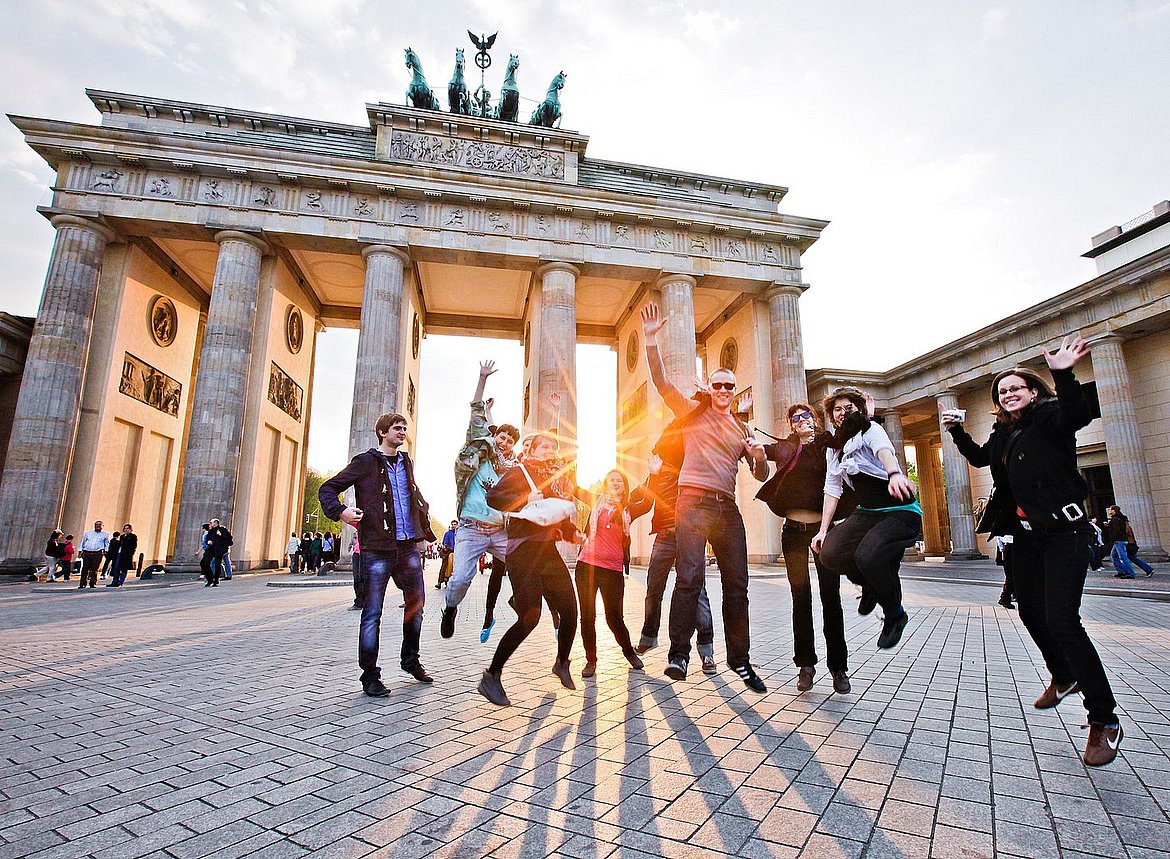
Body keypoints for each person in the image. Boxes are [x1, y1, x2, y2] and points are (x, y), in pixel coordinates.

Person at [943, 336, 1123, 766]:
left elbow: (1077, 413)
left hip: (1066, 533)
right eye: (1002, 392)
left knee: (1063, 620)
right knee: (1029, 611)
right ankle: (1063, 676)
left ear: (1034, 391)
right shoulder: (1004, 432)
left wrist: (1063, 372)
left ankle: (1104, 720)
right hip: (1027, 536)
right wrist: (955, 432)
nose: (1008, 395)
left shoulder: (1049, 417)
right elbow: (983, 458)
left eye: (1016, 388)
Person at [640, 302, 770, 692]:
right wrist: (650, 341)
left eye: (730, 385)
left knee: (738, 583)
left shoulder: (741, 428)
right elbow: (662, 385)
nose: (724, 391)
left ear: (734, 390)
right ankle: (679, 654)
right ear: (709, 388)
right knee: (690, 577)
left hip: (725, 507)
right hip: (692, 501)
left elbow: (759, 473)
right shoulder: (693, 414)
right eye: (718, 385)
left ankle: (740, 660)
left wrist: (759, 453)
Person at [319, 412, 436, 697]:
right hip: (377, 550)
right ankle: (370, 676)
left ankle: (410, 661)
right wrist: (341, 512)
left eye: (405, 428)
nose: (402, 432)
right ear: (383, 432)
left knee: (416, 608)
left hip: (407, 548)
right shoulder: (365, 462)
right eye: (397, 428)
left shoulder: (406, 461)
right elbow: (328, 488)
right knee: (372, 614)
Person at [478, 429, 582, 706]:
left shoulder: (554, 478)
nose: (550, 451)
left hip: (547, 551)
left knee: (571, 610)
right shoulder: (518, 472)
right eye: (544, 446)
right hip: (523, 553)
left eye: (553, 447)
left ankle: (562, 663)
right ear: (532, 450)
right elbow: (494, 499)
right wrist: (525, 500)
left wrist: (573, 533)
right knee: (530, 617)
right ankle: (492, 675)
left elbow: (557, 513)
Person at [812, 387, 920, 651]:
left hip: (899, 511)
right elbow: (832, 488)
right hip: (867, 513)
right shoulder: (834, 449)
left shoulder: (871, 430)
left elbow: (884, 451)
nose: (842, 413)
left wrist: (894, 474)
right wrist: (823, 530)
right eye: (837, 409)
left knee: (868, 556)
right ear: (831, 416)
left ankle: (895, 614)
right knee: (830, 553)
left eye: (848, 408)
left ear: (858, 410)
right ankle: (869, 585)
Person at [755, 402, 851, 694]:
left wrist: (866, 415)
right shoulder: (786, 447)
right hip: (793, 533)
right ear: (791, 424)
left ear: (815, 418)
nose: (801, 421)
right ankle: (805, 666)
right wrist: (746, 426)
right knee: (801, 598)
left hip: (823, 531)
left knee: (830, 598)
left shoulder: (827, 443)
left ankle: (839, 668)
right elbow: (757, 448)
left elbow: (851, 436)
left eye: (805, 416)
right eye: (795, 418)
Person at [439, 360, 521, 640]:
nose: (505, 442)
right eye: (502, 436)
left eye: (511, 440)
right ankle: (450, 608)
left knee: (528, 563)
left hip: (500, 531)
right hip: (471, 528)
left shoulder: (515, 468)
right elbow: (476, 413)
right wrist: (482, 378)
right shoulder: (479, 450)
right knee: (461, 577)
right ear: (493, 435)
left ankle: (520, 602)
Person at [631, 444, 718, 677]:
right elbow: (644, 500)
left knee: (698, 592)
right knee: (653, 587)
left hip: (690, 536)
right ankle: (648, 638)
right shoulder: (659, 471)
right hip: (664, 535)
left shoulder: (695, 468)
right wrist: (652, 475)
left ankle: (706, 650)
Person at [573, 469, 651, 678]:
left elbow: (649, 501)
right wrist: (568, 463)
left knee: (614, 617)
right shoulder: (595, 501)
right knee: (587, 616)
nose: (615, 483)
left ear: (624, 486)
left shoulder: (628, 509)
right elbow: (574, 487)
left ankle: (629, 653)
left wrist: (654, 475)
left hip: (613, 569)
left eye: (619, 480)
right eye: (611, 479)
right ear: (605, 483)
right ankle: (591, 660)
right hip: (587, 566)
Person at [1105, 505, 1137, 578]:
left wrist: (1113, 537)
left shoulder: (1115, 519)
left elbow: (1116, 530)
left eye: (1110, 509)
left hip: (1119, 540)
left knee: (1123, 557)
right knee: (1114, 555)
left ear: (1114, 510)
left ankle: (1130, 573)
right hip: (1121, 540)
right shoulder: (1120, 518)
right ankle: (1121, 571)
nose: (1110, 511)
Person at [78, 521, 110, 590]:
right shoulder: (88, 533)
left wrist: (105, 551)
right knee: (85, 568)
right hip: (87, 552)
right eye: (96, 525)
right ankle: (82, 583)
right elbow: (83, 542)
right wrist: (80, 550)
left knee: (94, 569)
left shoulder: (105, 534)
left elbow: (107, 543)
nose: (98, 526)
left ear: (102, 526)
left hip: (97, 553)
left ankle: (92, 583)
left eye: (99, 525)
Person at [204, 519, 233, 587]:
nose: (210, 523)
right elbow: (207, 538)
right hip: (211, 549)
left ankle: (216, 580)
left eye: (211, 522)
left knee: (217, 564)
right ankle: (210, 579)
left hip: (220, 550)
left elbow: (229, 538)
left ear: (216, 523)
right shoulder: (211, 531)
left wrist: (221, 535)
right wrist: (208, 541)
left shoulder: (222, 530)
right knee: (206, 563)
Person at [436, 521, 457, 589]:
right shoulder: (447, 533)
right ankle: (439, 582)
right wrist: (445, 547)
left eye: (455, 524)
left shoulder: (459, 533)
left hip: (458, 551)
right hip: (449, 551)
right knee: (444, 564)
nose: (453, 526)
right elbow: (445, 543)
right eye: (452, 524)